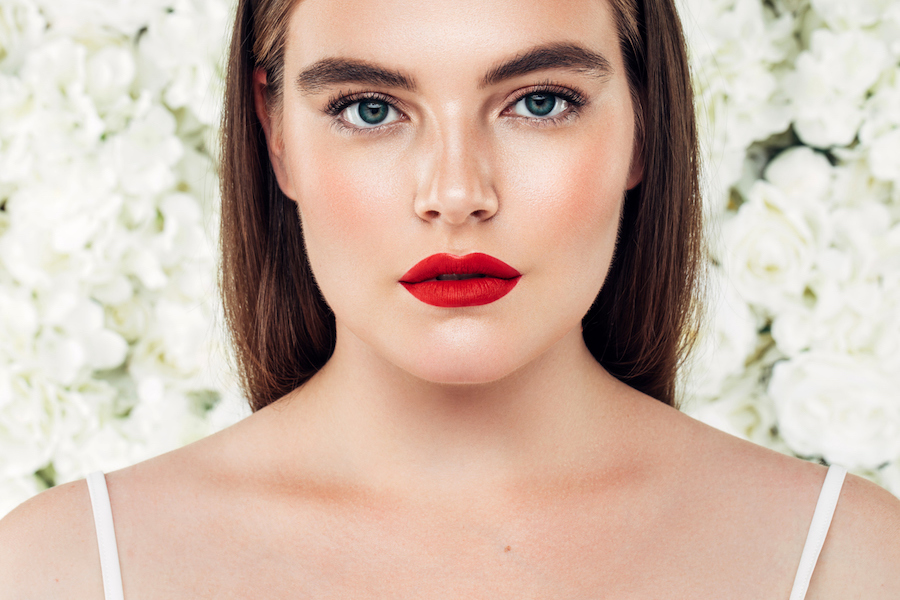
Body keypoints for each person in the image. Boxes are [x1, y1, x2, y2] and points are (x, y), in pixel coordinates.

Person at [2, 0, 899, 597]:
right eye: (368, 107)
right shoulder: (65, 570)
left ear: (644, 125)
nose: (457, 190)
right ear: (276, 135)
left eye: (539, 101)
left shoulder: (848, 563)